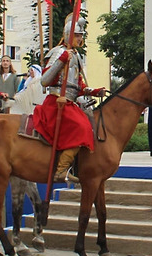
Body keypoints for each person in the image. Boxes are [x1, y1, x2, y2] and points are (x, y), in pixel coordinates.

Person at [33, 14, 105, 183]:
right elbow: (44, 80)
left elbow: (78, 86)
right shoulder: (58, 53)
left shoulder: (77, 56)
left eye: (81, 36)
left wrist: (94, 91)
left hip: (70, 103)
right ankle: (61, 170)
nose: (80, 39)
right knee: (81, 128)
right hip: (56, 102)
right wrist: (62, 60)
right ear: (69, 35)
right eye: (78, 35)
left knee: (88, 122)